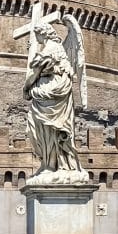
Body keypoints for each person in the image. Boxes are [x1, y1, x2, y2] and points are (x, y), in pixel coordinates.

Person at [23, 19, 87, 184]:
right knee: (53, 131)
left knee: (43, 129)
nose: (36, 39)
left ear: (42, 33)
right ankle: (54, 164)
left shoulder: (48, 50)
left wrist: (27, 88)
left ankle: (50, 166)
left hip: (49, 94)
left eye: (37, 35)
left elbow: (33, 73)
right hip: (59, 94)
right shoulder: (60, 49)